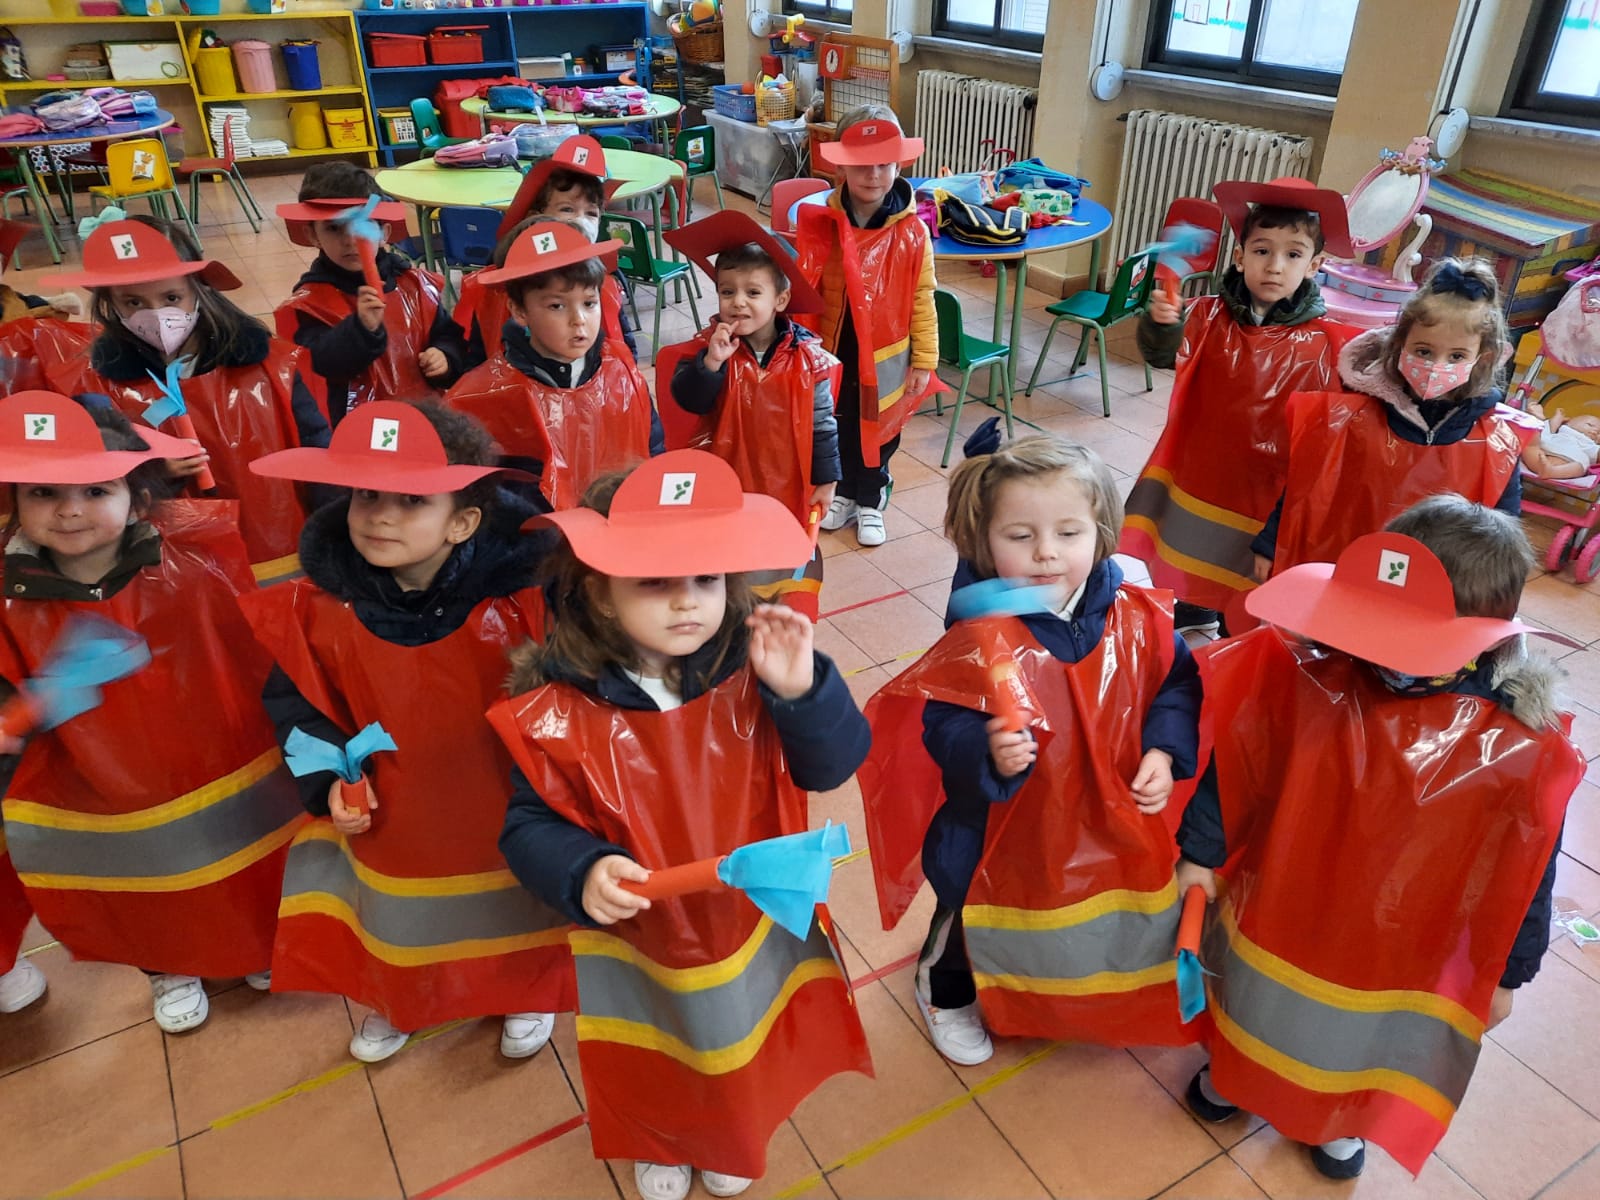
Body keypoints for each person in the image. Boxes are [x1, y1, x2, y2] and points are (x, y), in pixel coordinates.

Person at [491, 450, 872, 1200]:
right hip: (642, 932)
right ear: (600, 594)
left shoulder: (750, 669)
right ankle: (664, 1135)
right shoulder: (554, 709)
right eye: (654, 583)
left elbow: (830, 767)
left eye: (704, 580)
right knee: (656, 1037)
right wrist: (580, 869)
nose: (686, 603)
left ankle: (728, 1130)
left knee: (742, 1028)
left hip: (747, 918)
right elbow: (527, 822)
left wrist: (801, 692)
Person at [1175, 496, 1582, 1180]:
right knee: (1256, 996)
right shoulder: (1307, 676)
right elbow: (1239, 759)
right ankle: (1234, 1074)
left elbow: (1529, 864)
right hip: (1286, 896)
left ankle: (1343, 1119)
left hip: (1401, 935)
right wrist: (1202, 851)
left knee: (1362, 1035)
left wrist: (1511, 971)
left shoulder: (1518, 749)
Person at [243, 401, 573, 1063]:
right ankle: (401, 994)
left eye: (410, 500)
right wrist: (325, 782)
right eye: (367, 495)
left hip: (501, 799)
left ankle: (523, 988)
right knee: (399, 912)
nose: (381, 515)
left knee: (510, 898)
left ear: (463, 522)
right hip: (395, 810)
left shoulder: (526, 602)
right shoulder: (319, 608)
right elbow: (299, 704)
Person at [858, 432, 1202, 1065]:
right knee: (968, 910)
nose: (1046, 554)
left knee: (1078, 901)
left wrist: (1164, 751)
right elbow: (943, 725)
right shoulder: (980, 637)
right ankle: (945, 989)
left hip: (1098, 808)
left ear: (1101, 530)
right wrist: (987, 750)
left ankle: (1061, 987)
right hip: (996, 822)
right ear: (984, 543)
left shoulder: (1140, 616)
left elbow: (1173, 685)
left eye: (1068, 534)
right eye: (1020, 537)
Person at [0, 391, 305, 1033]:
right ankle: (168, 967)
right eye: (44, 494)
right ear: (14, 503)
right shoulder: (8, 599)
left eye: (95, 490)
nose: (70, 510)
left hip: (215, 751)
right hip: (95, 776)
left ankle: (256, 946)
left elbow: (251, 645)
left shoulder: (195, 559)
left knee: (242, 854)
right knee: (143, 876)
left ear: (136, 498)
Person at [1120, 177, 1355, 634]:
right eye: (1262, 250)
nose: (1274, 266)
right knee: (1194, 546)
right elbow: (1162, 355)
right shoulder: (1207, 316)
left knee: (1248, 564)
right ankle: (1194, 603)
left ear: (1315, 265)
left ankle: (1234, 628)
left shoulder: (1328, 343)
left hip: (1266, 484)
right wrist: (1162, 325)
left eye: (1293, 254)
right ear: (1239, 256)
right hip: (1204, 470)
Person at [42, 216, 329, 587]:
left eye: (172, 298)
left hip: (279, 556)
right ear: (109, 303)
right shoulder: (96, 387)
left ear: (200, 289)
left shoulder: (271, 367)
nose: (157, 315)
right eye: (133, 302)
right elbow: (92, 485)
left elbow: (316, 448)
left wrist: (334, 530)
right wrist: (154, 475)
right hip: (177, 572)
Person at [1255, 258, 1526, 580]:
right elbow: (1304, 486)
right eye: (1423, 351)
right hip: (1344, 566)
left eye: (1456, 356)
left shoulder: (1495, 441)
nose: (1436, 366)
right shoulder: (1350, 416)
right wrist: (1271, 542)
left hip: (1434, 584)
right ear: (1398, 345)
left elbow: (1504, 525)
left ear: (1483, 359)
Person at [662, 210, 840, 619]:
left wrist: (826, 479)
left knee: (776, 554)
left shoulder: (807, 359)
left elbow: (822, 422)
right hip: (727, 475)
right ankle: (729, 616)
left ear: (780, 300)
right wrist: (711, 363)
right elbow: (688, 400)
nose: (738, 302)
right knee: (728, 554)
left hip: (786, 477)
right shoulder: (711, 348)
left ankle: (771, 615)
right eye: (727, 291)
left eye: (753, 293)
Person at [794, 105, 937, 548]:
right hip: (837, 343)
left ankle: (872, 498)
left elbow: (922, 297)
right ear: (842, 164)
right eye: (861, 164)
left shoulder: (913, 232)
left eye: (884, 164)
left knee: (879, 426)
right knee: (840, 421)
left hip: (889, 353)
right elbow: (805, 283)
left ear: (899, 165)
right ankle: (846, 492)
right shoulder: (823, 222)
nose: (873, 174)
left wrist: (925, 360)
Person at [445, 220, 658, 512]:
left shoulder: (622, 373)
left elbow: (654, 447)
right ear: (520, 311)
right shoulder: (482, 395)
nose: (578, 319)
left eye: (589, 303)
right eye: (557, 306)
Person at [275, 162, 468, 423]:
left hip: (429, 419)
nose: (350, 239)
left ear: (384, 233)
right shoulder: (308, 305)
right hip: (359, 429)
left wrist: (445, 355)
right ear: (313, 235)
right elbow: (319, 365)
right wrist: (361, 329)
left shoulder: (417, 286)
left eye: (363, 226)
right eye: (334, 228)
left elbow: (448, 335)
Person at [456, 135, 634, 367]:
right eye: (567, 209)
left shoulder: (603, 278)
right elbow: (476, 358)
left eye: (591, 214)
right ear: (535, 216)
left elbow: (624, 343)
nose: (581, 222)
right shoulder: (504, 283)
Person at [1520, 401, 1600, 480]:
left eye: (1599, 432)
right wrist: (1556, 419)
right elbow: (1550, 428)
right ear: (1568, 423)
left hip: (1567, 462)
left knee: (1582, 466)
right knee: (1534, 440)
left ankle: (1551, 471)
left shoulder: (1591, 445)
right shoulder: (1564, 429)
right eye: (1590, 425)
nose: (1595, 430)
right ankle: (1538, 417)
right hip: (1543, 451)